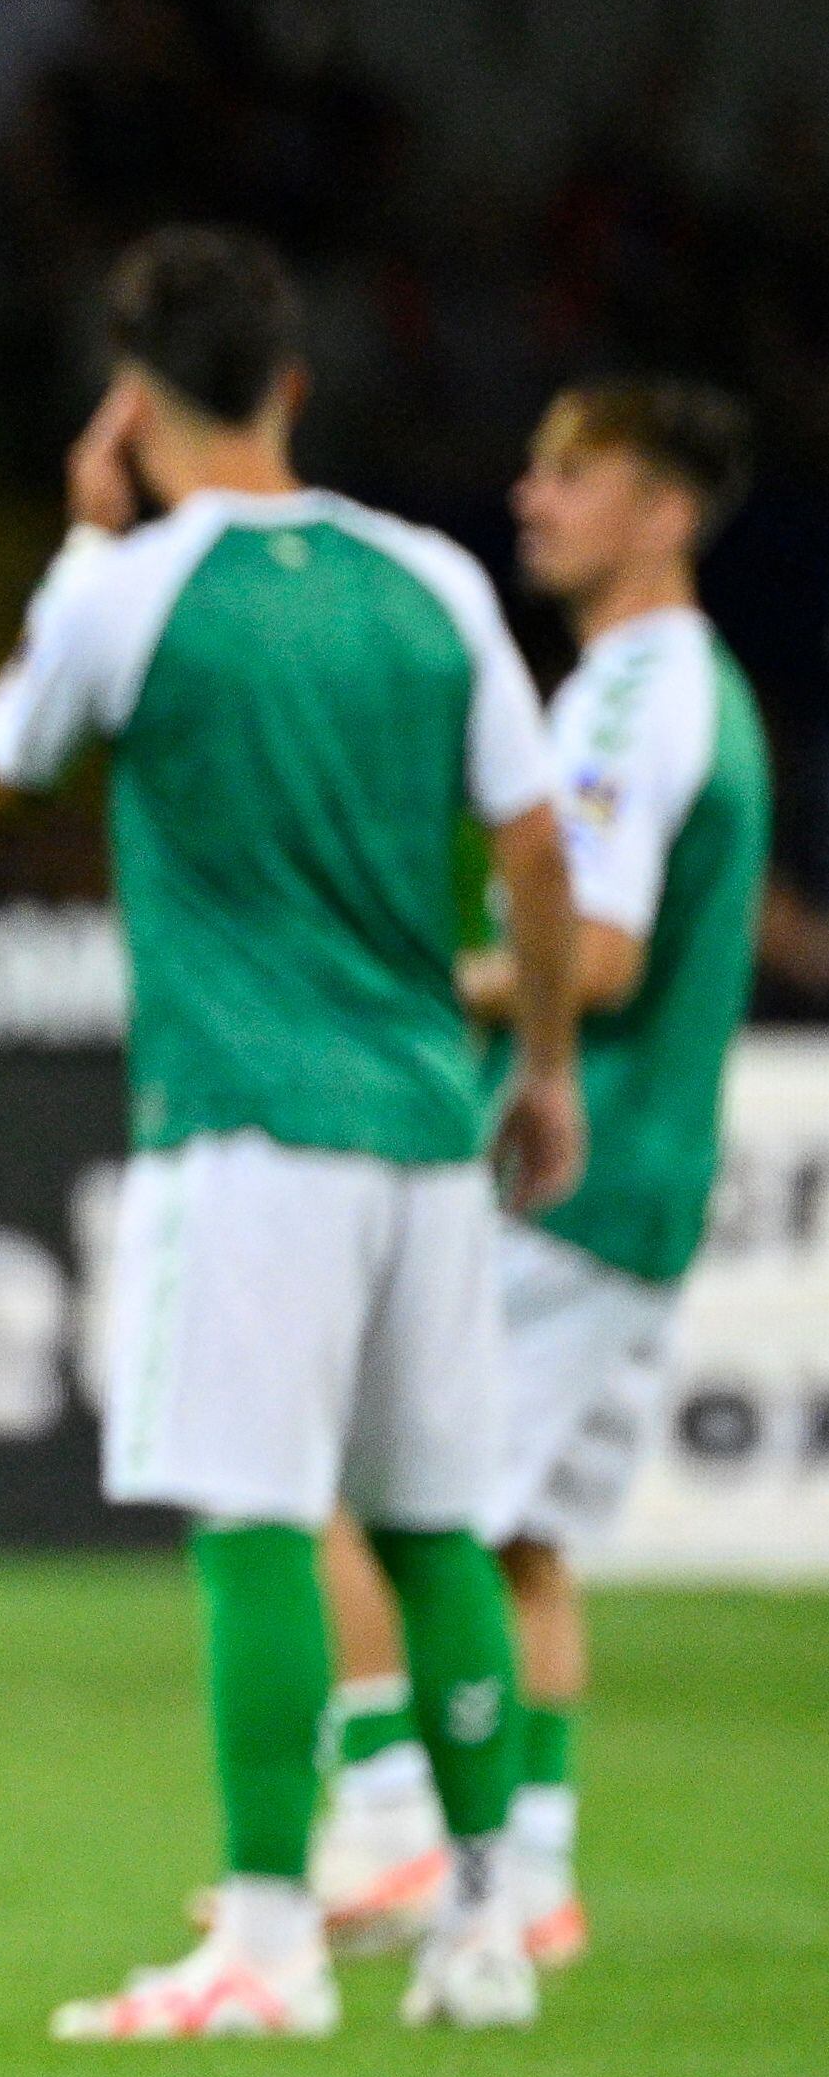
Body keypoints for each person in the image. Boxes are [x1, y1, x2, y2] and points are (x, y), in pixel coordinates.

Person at [0, 226, 583, 2044]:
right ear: (294, 381)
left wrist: (89, 535)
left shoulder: (131, 588)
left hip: (245, 1122)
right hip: (420, 1118)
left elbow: (11, 754)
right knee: (432, 1524)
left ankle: (264, 1936)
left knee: (253, 1511)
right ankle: (483, 1927)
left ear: (129, 400)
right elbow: (536, 850)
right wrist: (539, 1064)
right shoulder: (434, 581)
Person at [297, 383, 769, 1975]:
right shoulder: (694, 688)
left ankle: (404, 1837)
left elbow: (609, 952)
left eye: (575, 474)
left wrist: (430, 973)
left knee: (373, 1492)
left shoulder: (634, 700)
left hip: (571, 1171)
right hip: (649, 1182)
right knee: (524, 1541)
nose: (532, 495)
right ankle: (541, 1871)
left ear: (664, 511)